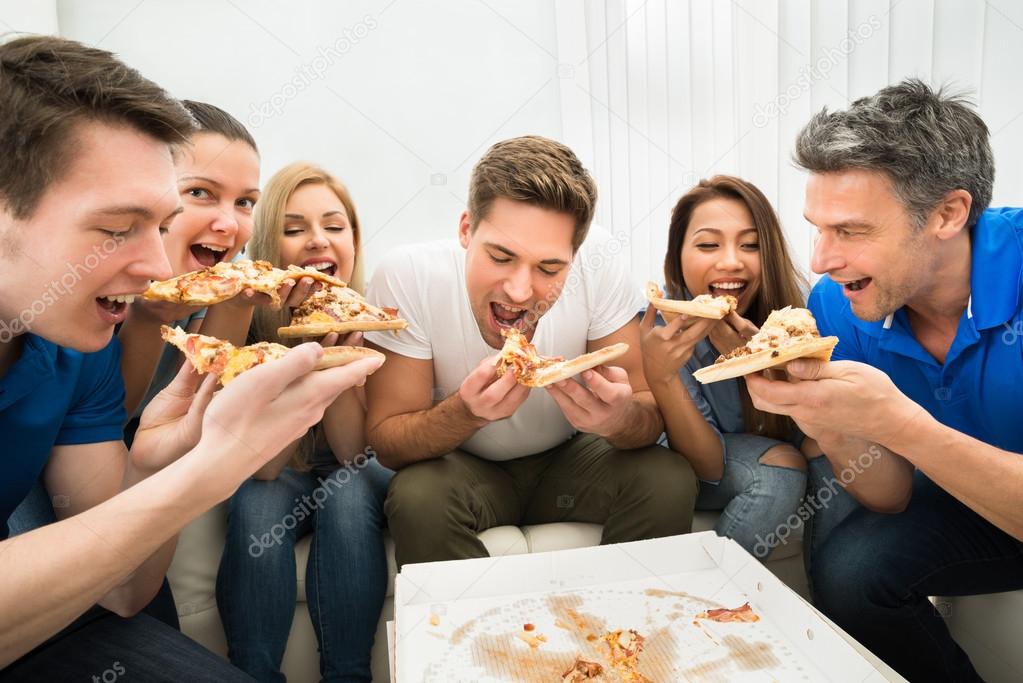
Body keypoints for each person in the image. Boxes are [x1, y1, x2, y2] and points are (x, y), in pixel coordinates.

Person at [0, 36, 381, 681]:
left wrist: (159, 463)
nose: (153, 265)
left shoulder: (76, 342)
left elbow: (120, 591)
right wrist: (210, 470)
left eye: (160, 222)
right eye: (118, 227)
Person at [745, 79, 1023, 682]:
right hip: (974, 501)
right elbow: (891, 495)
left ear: (948, 214)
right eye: (818, 227)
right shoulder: (839, 303)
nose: (820, 259)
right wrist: (827, 418)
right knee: (852, 569)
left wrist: (902, 425)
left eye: (851, 231)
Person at [364, 135, 698, 569]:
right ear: (466, 229)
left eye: (549, 268)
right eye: (501, 257)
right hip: (463, 467)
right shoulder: (407, 276)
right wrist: (466, 413)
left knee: (667, 478)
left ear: (575, 257)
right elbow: (388, 441)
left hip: (571, 459)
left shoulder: (600, 261)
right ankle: (482, 635)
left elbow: (646, 408)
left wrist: (618, 419)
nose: (520, 291)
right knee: (417, 497)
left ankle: (620, 627)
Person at [216, 162, 392, 682]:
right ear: (270, 244)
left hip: (352, 462)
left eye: (334, 227)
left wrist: (337, 368)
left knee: (346, 491)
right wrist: (303, 358)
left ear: (354, 240)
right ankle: (251, 673)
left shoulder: (377, 318)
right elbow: (265, 467)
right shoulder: (245, 318)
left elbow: (354, 454)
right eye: (295, 230)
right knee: (256, 499)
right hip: (277, 462)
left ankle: (347, 675)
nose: (318, 242)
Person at [639, 175, 808, 560]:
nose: (731, 261)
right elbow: (706, 467)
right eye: (708, 244)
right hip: (696, 466)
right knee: (780, 470)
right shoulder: (662, 331)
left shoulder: (797, 315)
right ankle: (710, 601)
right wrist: (662, 376)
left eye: (750, 245)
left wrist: (757, 363)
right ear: (677, 256)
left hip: (772, 443)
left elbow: (815, 432)